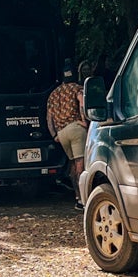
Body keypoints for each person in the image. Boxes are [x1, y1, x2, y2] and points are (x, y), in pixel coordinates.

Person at [46, 59, 94, 191]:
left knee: (73, 164)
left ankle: (77, 196)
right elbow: (82, 103)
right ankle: (84, 197)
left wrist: (54, 135)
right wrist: (84, 121)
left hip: (61, 133)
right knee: (80, 164)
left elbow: (49, 118)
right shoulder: (77, 88)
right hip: (76, 128)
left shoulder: (53, 94)